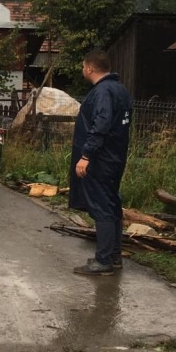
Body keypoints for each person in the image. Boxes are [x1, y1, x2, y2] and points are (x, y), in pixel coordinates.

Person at [69, 49, 132, 276]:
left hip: (100, 159)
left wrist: (86, 156)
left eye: (83, 66)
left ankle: (103, 260)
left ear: (90, 68)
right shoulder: (119, 89)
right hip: (115, 157)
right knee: (112, 204)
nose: (82, 70)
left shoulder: (103, 92)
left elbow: (102, 124)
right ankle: (114, 256)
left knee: (102, 207)